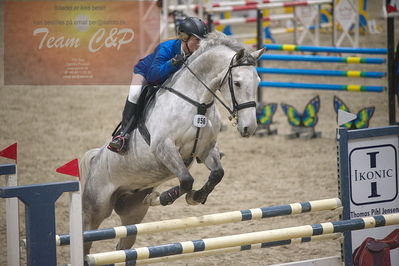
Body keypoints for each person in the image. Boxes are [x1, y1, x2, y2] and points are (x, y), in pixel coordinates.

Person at [108, 17, 208, 154]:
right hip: (145, 73)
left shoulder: (195, 53)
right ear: (184, 38)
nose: (200, 44)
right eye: (197, 40)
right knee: (135, 93)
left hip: (168, 80)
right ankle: (122, 135)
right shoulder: (166, 48)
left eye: (202, 41)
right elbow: (153, 77)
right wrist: (172, 63)